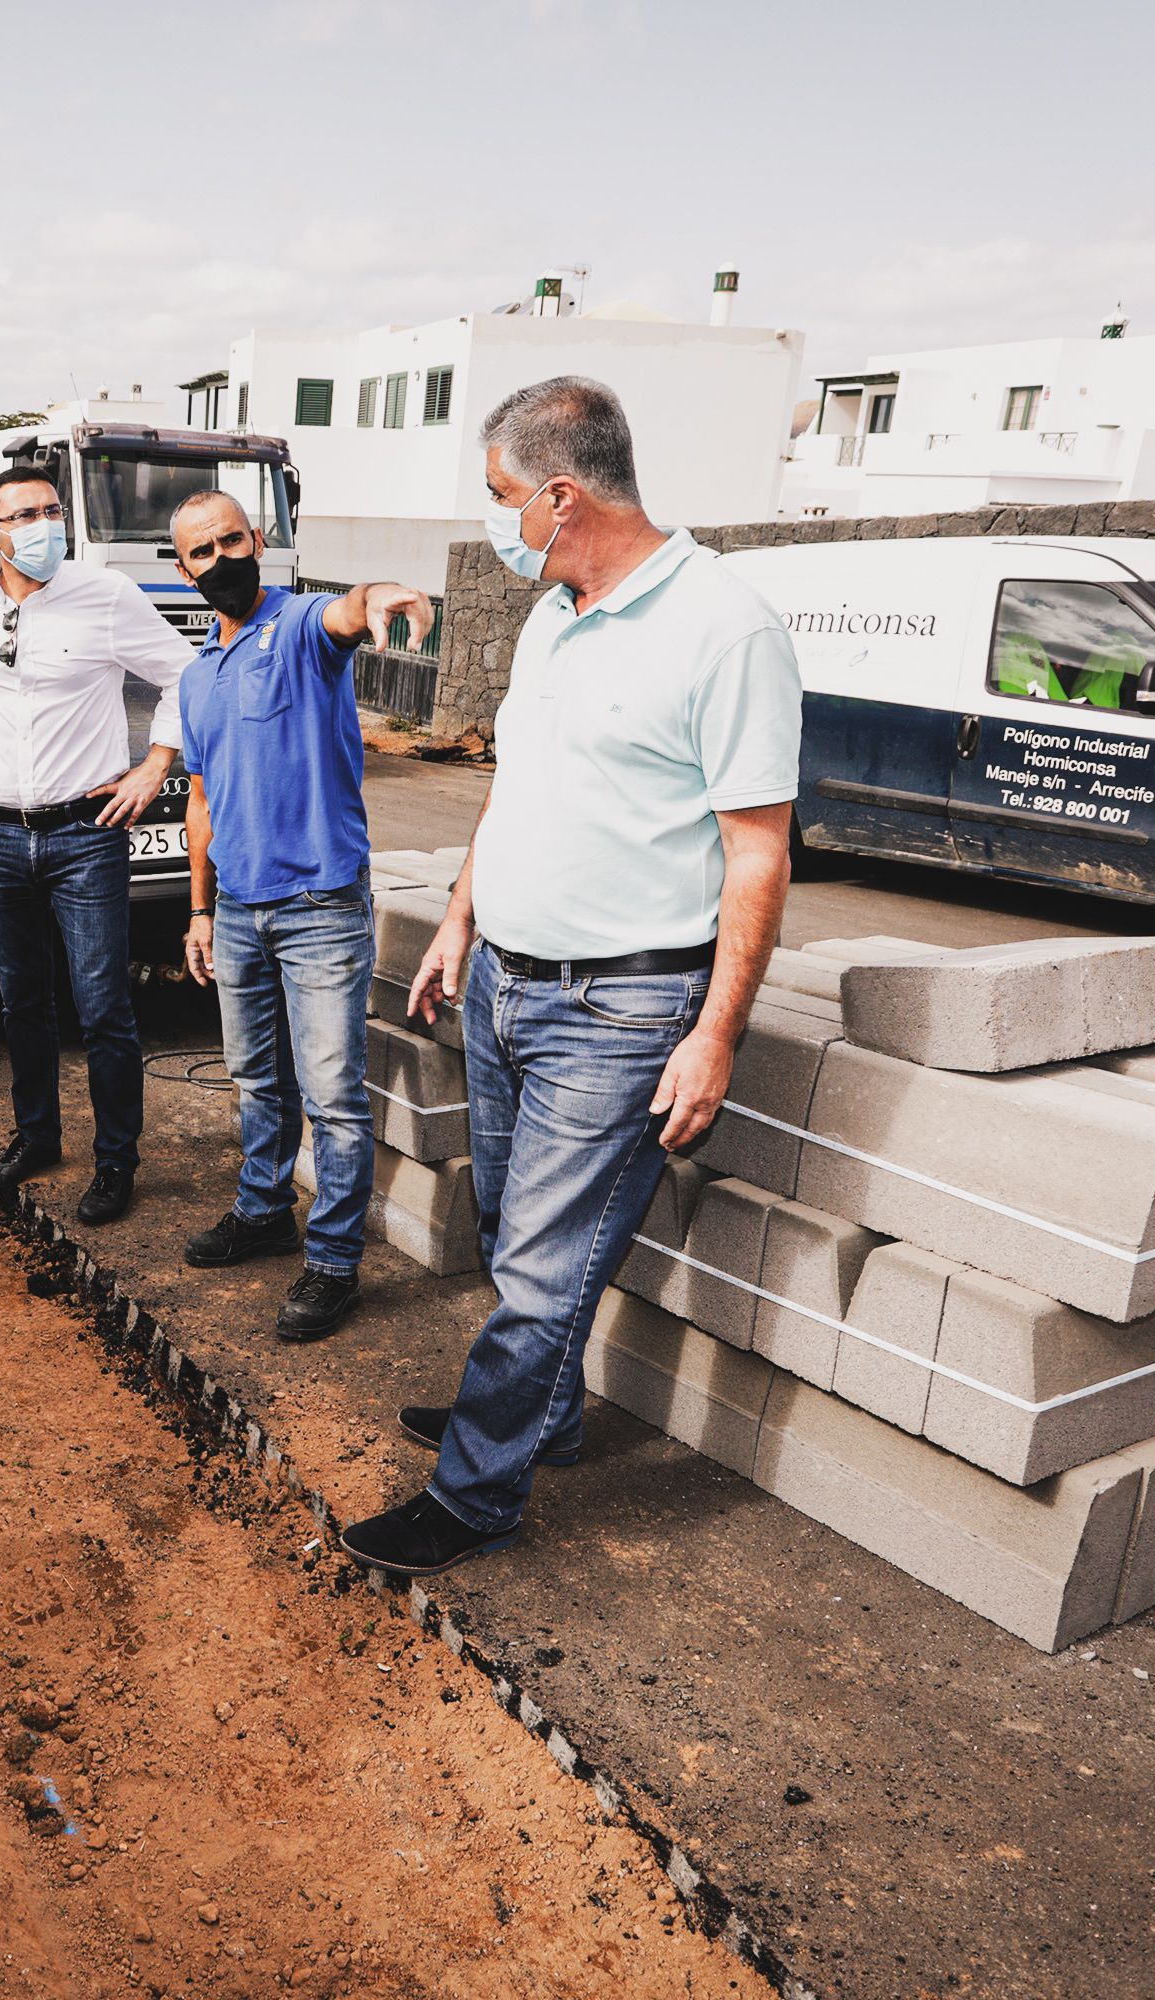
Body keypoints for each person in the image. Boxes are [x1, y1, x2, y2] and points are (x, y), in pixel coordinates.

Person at [338, 377, 802, 1578]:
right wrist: (458, 918)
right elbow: (517, 789)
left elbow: (758, 848)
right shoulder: (557, 610)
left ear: (559, 492)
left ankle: (476, 1495)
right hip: (503, 980)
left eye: (500, 496)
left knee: (543, 1272)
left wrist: (716, 1032)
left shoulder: (724, 628)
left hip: (623, 1009)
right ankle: (538, 1412)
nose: (496, 521)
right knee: (509, 1230)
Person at [169, 488, 435, 1341]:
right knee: (255, 1081)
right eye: (201, 553)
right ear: (183, 569)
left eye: (231, 541)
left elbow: (345, 614)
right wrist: (200, 911)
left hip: (320, 905)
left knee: (332, 1099)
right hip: (240, 910)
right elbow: (201, 803)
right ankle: (262, 1212)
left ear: (259, 539)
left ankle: (332, 1264)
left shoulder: (299, 627)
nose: (220, 561)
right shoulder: (197, 675)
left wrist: (376, 595)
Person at [0, 465, 194, 1225]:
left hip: (85, 836)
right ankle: (36, 1137)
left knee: (104, 1007)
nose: (44, 525)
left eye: (52, 510)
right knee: (21, 1002)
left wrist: (154, 766)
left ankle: (115, 1163)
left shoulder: (105, 596)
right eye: (25, 514)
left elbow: (185, 675)